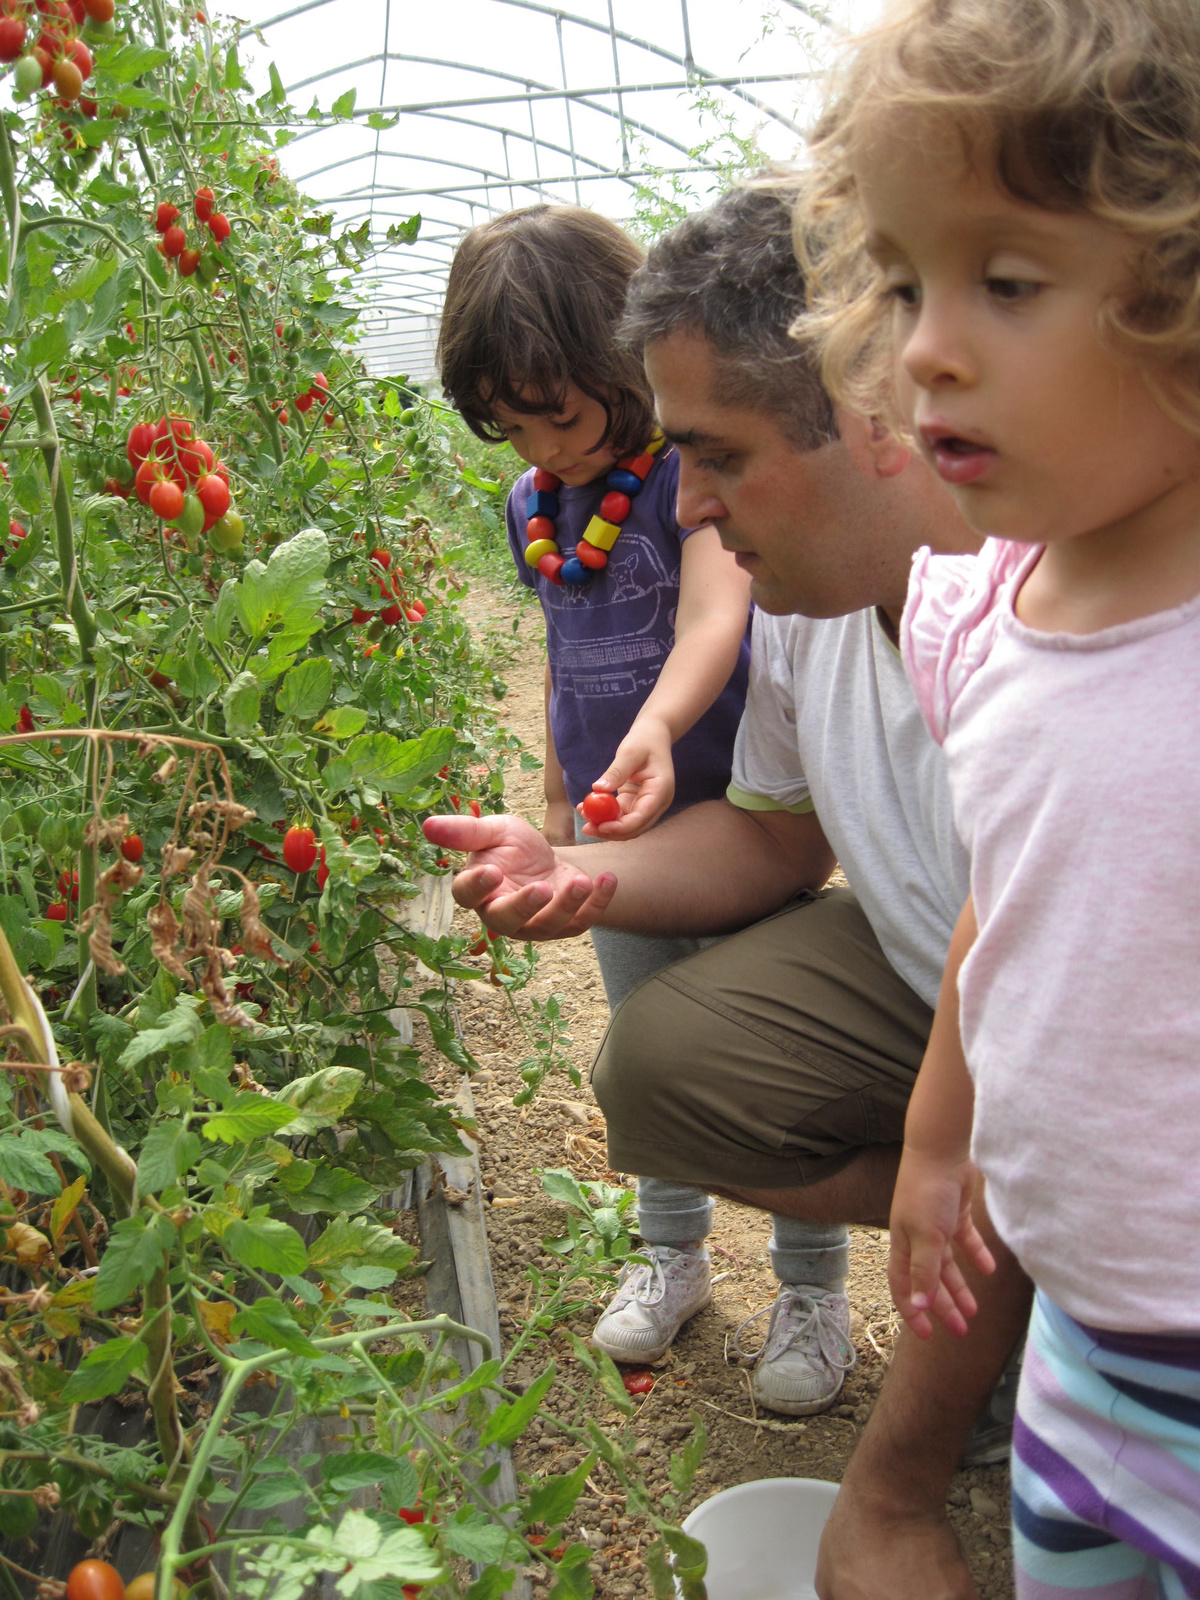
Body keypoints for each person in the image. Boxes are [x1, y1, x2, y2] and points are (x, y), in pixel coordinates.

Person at [429, 176, 1031, 1600]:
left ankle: (1032, 1276)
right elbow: (770, 840)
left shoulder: (1047, 626)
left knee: (1031, 1150)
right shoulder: (816, 605)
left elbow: (1035, 1001)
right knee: (661, 1072)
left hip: (1066, 1048)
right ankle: (1016, 1261)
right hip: (924, 980)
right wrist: (577, 869)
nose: (681, 504)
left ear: (872, 418)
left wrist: (887, 1483)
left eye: (714, 454)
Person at [798, 1, 1200, 1595]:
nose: (926, 347)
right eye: (902, 282)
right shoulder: (983, 620)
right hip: (1083, 1364)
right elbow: (1007, 910)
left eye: (1007, 282)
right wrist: (939, 1136)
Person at [437, 205, 753, 1361]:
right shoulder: (532, 509)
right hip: (620, 831)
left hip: (730, 815)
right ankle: (672, 1256)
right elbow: (565, 657)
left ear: (619, 363)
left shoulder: (691, 476)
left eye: (557, 414)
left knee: (776, 1073)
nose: (542, 449)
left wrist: (663, 726)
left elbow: (717, 617)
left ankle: (813, 1289)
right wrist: (560, 796)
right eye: (511, 427)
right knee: (647, 1050)